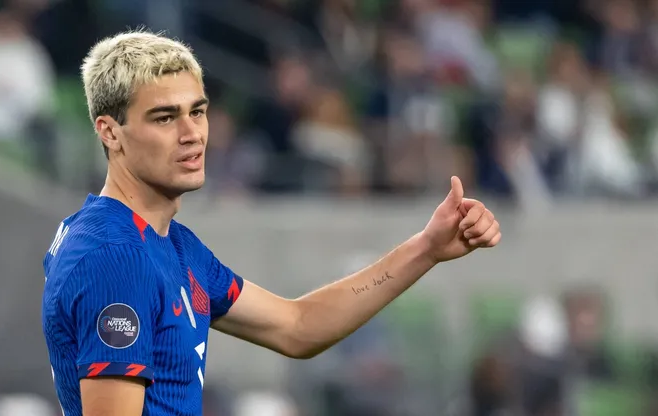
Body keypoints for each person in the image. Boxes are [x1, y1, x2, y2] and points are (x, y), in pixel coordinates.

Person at [41, 30, 501, 416]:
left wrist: (426, 248)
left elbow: (297, 326)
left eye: (197, 111)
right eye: (164, 118)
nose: (192, 134)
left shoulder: (171, 244)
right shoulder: (116, 257)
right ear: (110, 132)